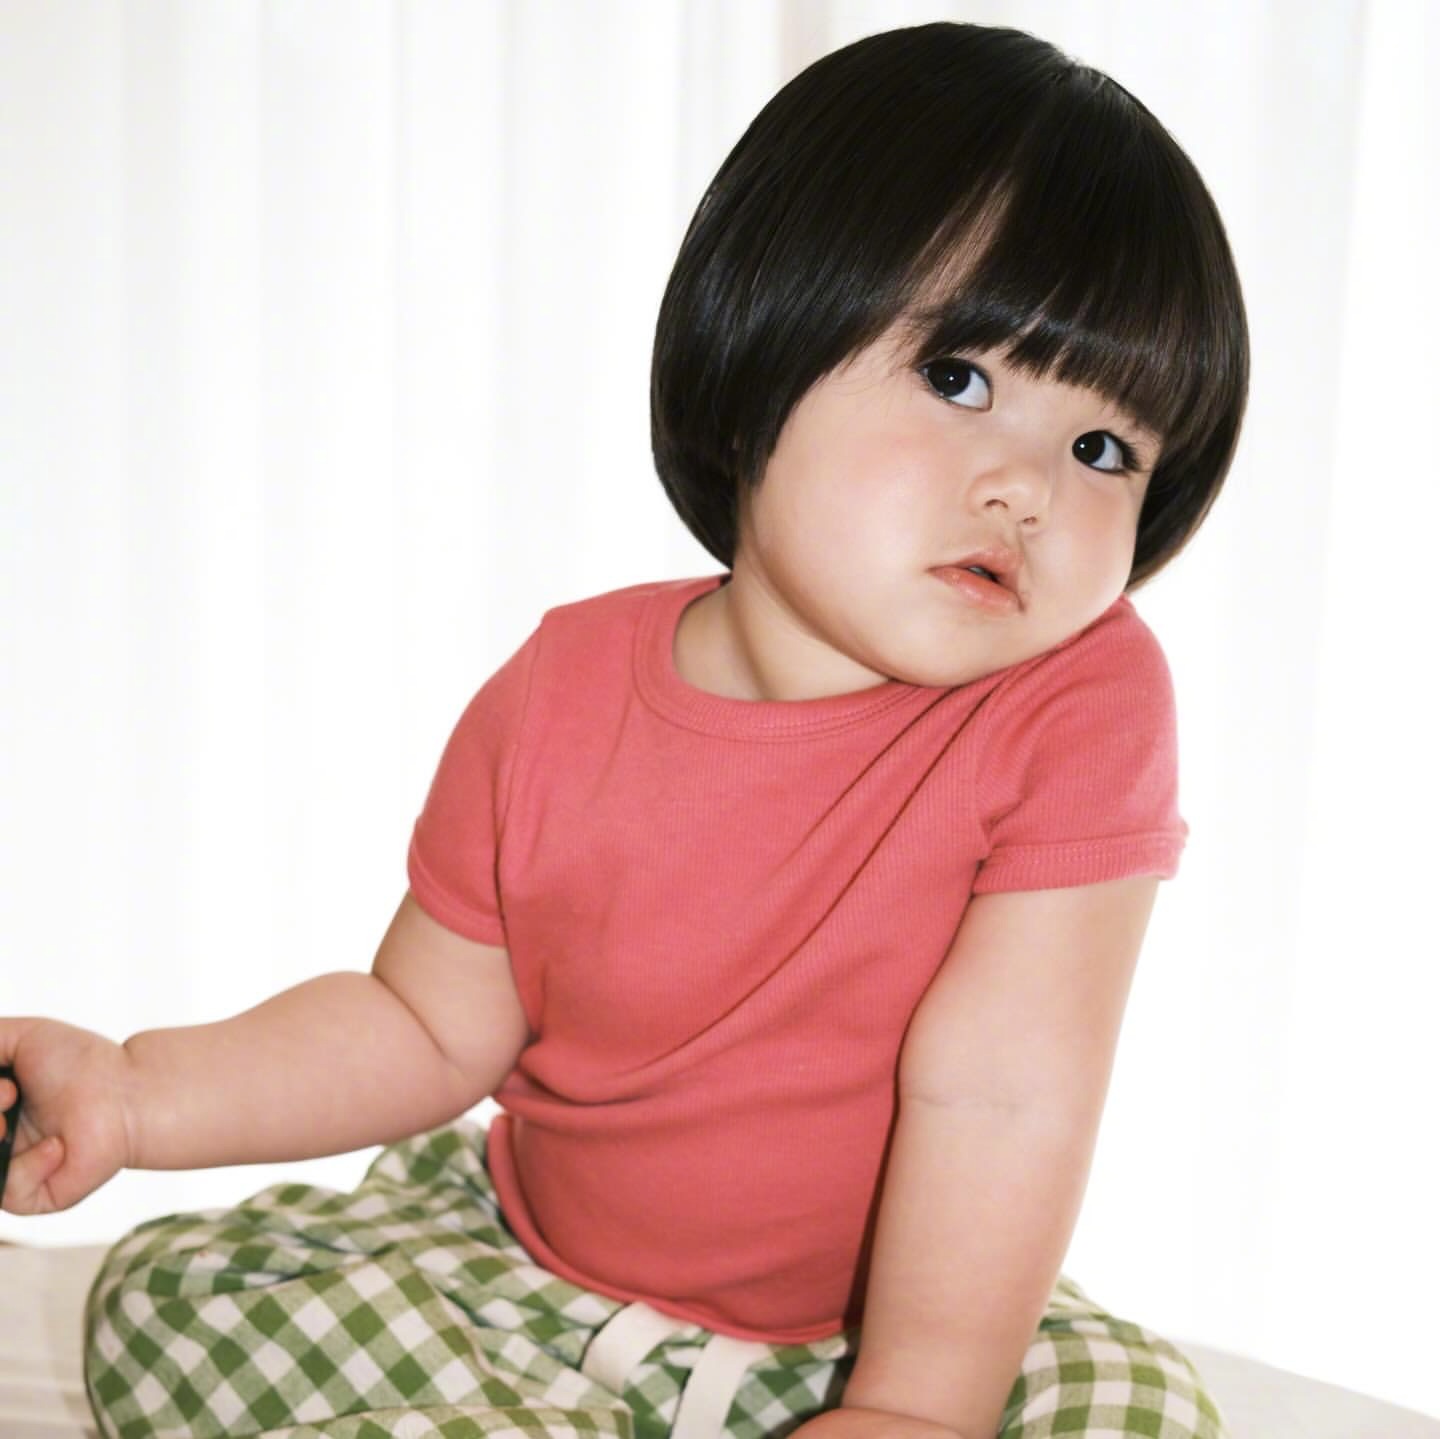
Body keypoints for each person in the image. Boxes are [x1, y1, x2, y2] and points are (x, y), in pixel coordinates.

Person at [0, 21, 1248, 1439]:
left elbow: (1005, 1096)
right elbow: (422, 1026)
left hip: (895, 1332)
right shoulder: (562, 692)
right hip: (533, 1289)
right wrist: (133, 1095)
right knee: (175, 1297)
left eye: (1104, 450)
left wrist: (915, 1408)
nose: (1029, 490)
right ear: (763, 348)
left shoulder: (1079, 700)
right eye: (961, 379)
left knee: (1143, 1414)